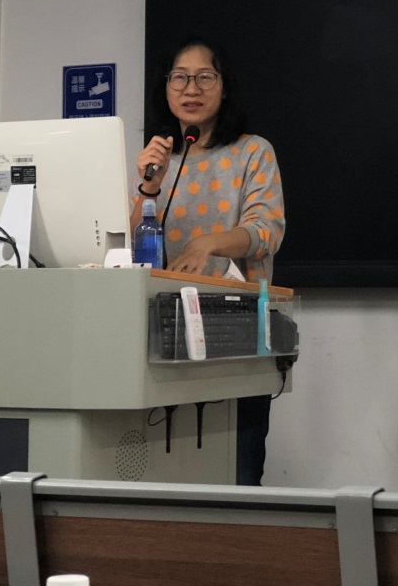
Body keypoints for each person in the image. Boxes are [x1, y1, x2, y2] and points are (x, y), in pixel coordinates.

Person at [133, 36, 286, 485]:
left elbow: (267, 230)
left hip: (237, 335)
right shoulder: (159, 162)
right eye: (179, 77)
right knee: (171, 478)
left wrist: (208, 243)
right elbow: (131, 248)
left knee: (236, 480)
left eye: (205, 77)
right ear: (165, 87)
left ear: (224, 86)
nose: (191, 88)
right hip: (167, 338)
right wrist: (148, 187)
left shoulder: (252, 151)